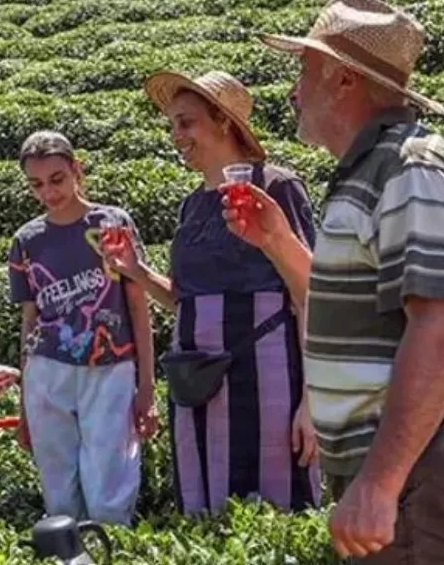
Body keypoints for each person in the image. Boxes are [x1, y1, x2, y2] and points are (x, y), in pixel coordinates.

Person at [258, 0, 444, 563]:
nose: (294, 90)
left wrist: (380, 482)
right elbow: (345, 309)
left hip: (422, 463)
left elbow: (441, 331)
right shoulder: (368, 171)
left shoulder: (410, 167)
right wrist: (275, 239)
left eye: (305, 69)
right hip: (398, 463)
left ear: (344, 81)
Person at [103, 70, 322, 517]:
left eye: (186, 122)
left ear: (223, 122)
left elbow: (309, 293)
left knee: (272, 512)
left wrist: (313, 402)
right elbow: (184, 299)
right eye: (172, 126)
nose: (176, 136)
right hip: (197, 382)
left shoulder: (275, 186)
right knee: (207, 512)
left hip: (265, 376)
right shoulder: (192, 204)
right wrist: (136, 271)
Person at [6, 130, 159, 527]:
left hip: (111, 365)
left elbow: (137, 305)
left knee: (110, 485)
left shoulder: (111, 223)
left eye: (57, 179)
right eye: (37, 185)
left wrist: (147, 386)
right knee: (58, 490)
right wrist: (23, 402)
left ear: (77, 169)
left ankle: (108, 550)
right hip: (48, 369)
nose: (49, 193)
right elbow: (30, 320)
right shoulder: (26, 241)